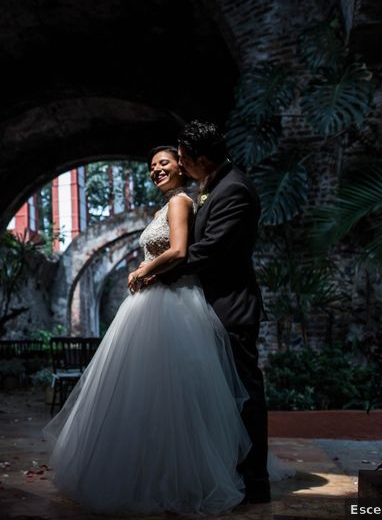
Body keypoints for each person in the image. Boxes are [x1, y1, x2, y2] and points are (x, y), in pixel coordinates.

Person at [42, 145, 253, 515]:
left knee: (173, 391)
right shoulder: (166, 205)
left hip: (172, 301)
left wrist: (143, 271)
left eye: (164, 163)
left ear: (182, 167)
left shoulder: (181, 203)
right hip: (150, 301)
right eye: (152, 165)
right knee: (143, 391)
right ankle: (144, 468)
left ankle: (180, 475)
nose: (156, 169)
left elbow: (179, 251)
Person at [167, 120, 272, 504]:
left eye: (182, 159)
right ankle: (229, 470)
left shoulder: (235, 190)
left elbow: (210, 249)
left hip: (232, 307)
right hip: (209, 307)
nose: (179, 165)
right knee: (220, 395)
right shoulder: (213, 185)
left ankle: (255, 481)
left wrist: (160, 269)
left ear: (203, 159)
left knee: (244, 394)